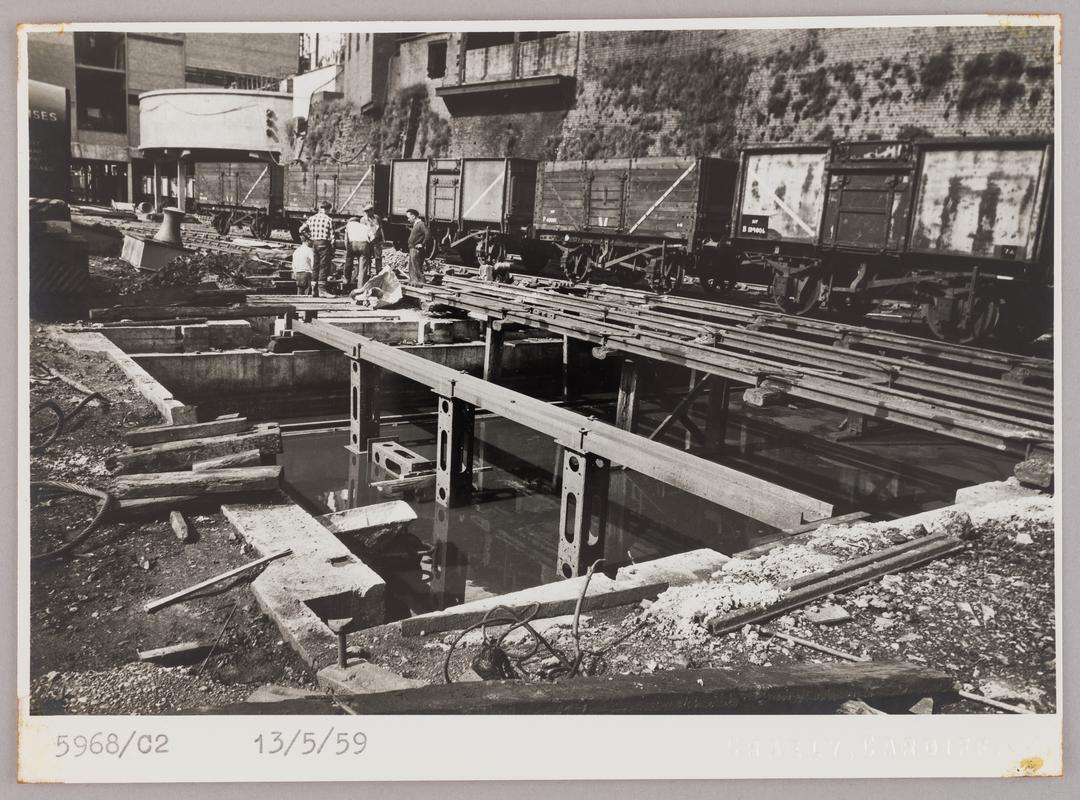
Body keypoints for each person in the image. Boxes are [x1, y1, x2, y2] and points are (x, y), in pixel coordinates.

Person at [298, 200, 335, 297]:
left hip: (315, 243)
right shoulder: (328, 219)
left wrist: (309, 236)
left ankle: (314, 290)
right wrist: (332, 246)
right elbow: (332, 237)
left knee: (315, 265)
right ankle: (322, 290)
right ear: (327, 209)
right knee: (323, 266)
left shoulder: (311, 218)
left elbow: (301, 229)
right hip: (324, 243)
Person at [343, 204, 384, 289]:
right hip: (368, 241)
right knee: (366, 260)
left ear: (372, 210)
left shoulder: (377, 218)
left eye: (369, 211)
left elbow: (380, 228)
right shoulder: (363, 220)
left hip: (375, 241)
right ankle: (366, 275)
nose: (367, 213)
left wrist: (382, 238)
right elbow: (363, 232)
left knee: (378, 257)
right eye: (366, 212)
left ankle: (378, 274)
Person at [405, 208, 430, 286]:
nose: (408, 219)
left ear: (413, 216)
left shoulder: (421, 224)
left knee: (416, 267)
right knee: (412, 267)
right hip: (413, 249)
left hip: (416, 249)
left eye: (409, 217)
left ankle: (421, 282)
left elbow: (428, 234)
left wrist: (422, 244)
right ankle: (414, 282)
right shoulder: (416, 225)